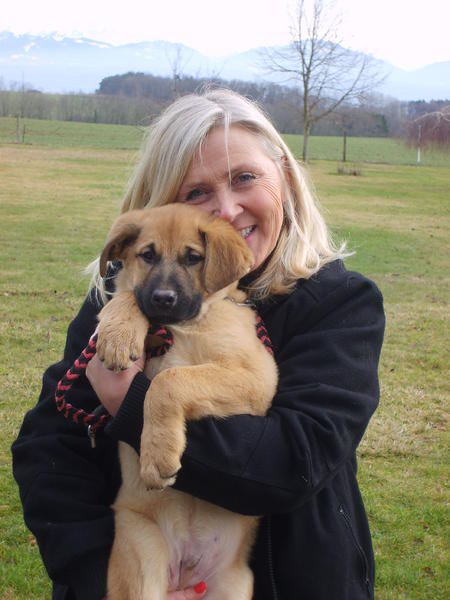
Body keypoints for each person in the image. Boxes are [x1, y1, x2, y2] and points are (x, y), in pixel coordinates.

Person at [12, 88, 385, 600]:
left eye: (245, 178)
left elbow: (294, 460)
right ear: (164, 200)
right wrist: (105, 580)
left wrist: (135, 406)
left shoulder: (340, 304)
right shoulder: (123, 301)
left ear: (284, 177)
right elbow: (48, 449)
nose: (226, 211)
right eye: (196, 193)